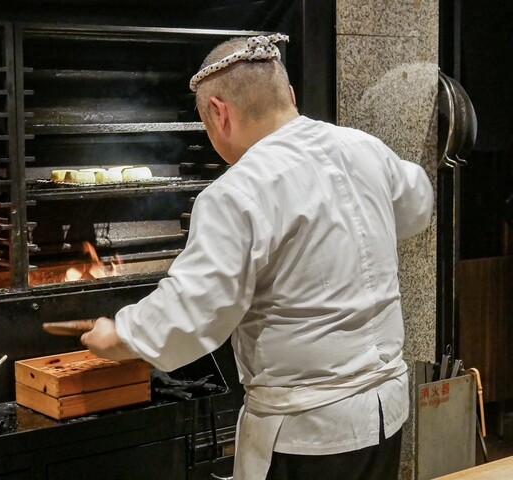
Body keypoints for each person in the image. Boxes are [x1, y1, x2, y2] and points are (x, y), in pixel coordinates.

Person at [81, 34, 434, 480]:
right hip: (385, 414)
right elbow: (418, 204)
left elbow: (192, 311)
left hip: (307, 433)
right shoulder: (366, 149)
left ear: (219, 113)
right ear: (290, 96)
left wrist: (121, 334)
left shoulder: (237, 192)